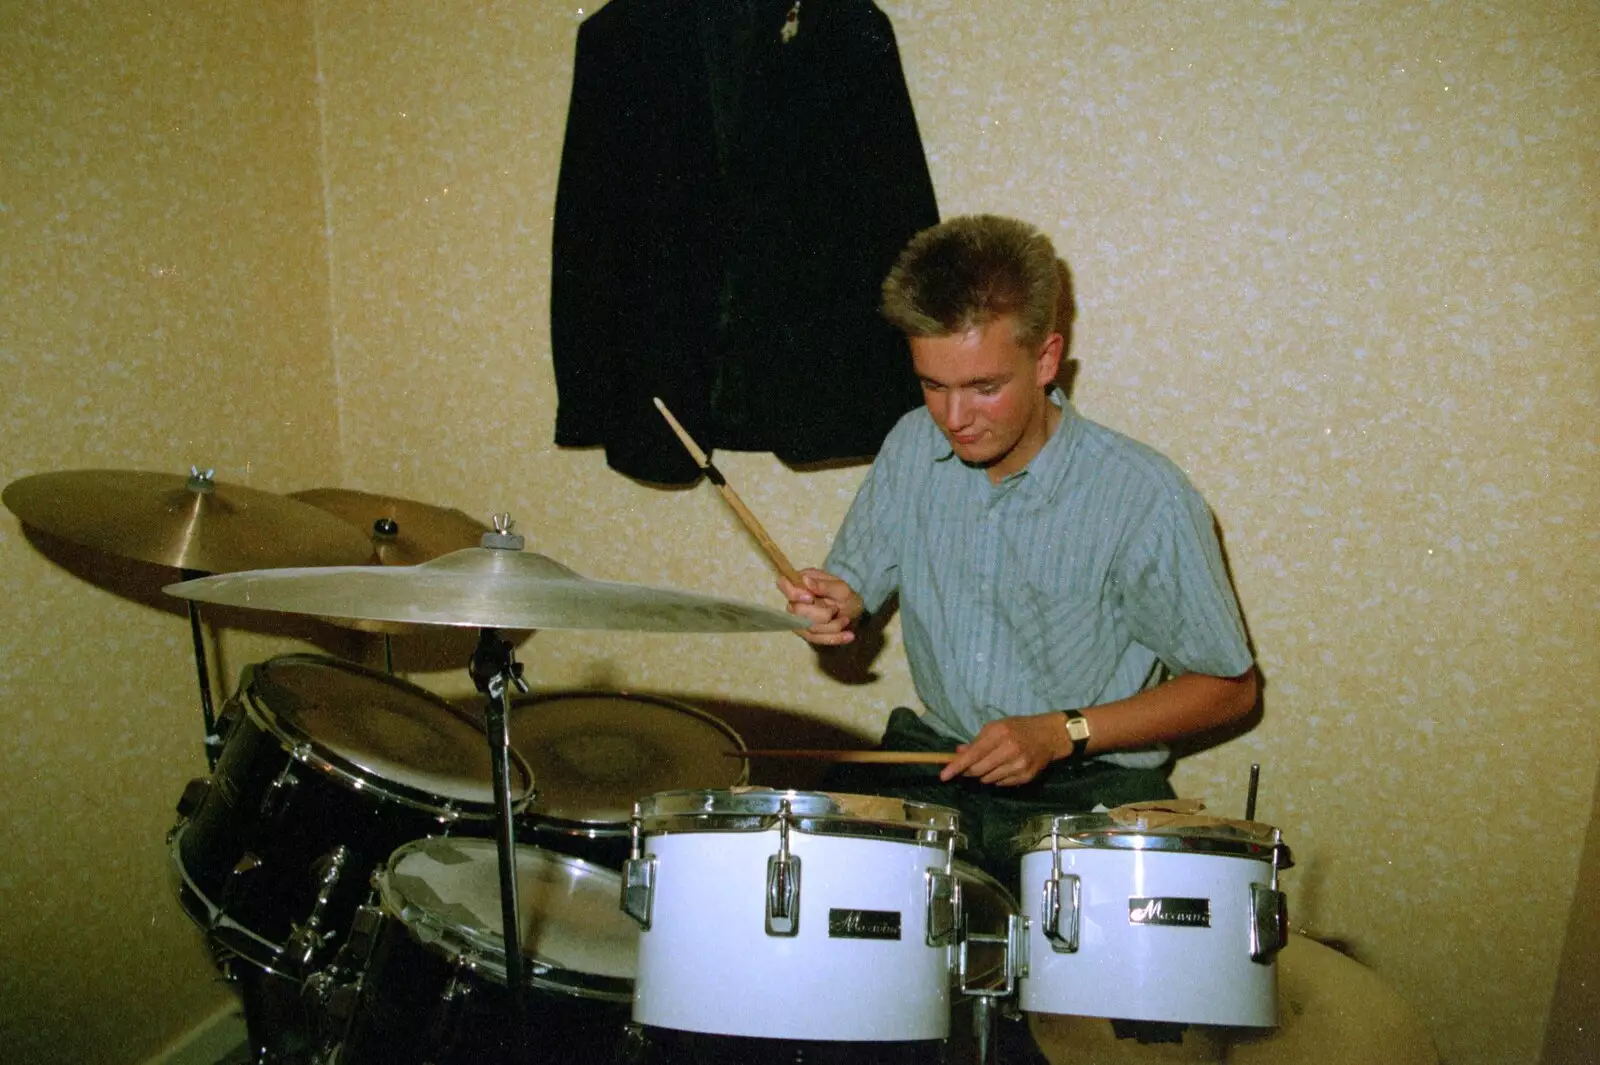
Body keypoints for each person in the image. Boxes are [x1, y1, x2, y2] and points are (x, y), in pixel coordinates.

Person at [780, 214, 1259, 881]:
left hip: (1083, 785)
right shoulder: (912, 443)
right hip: (937, 763)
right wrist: (835, 605)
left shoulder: (1144, 496)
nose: (953, 420)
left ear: (1045, 358)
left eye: (984, 387)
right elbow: (852, 586)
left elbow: (1231, 688)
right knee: (804, 881)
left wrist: (1061, 732)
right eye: (932, 384)